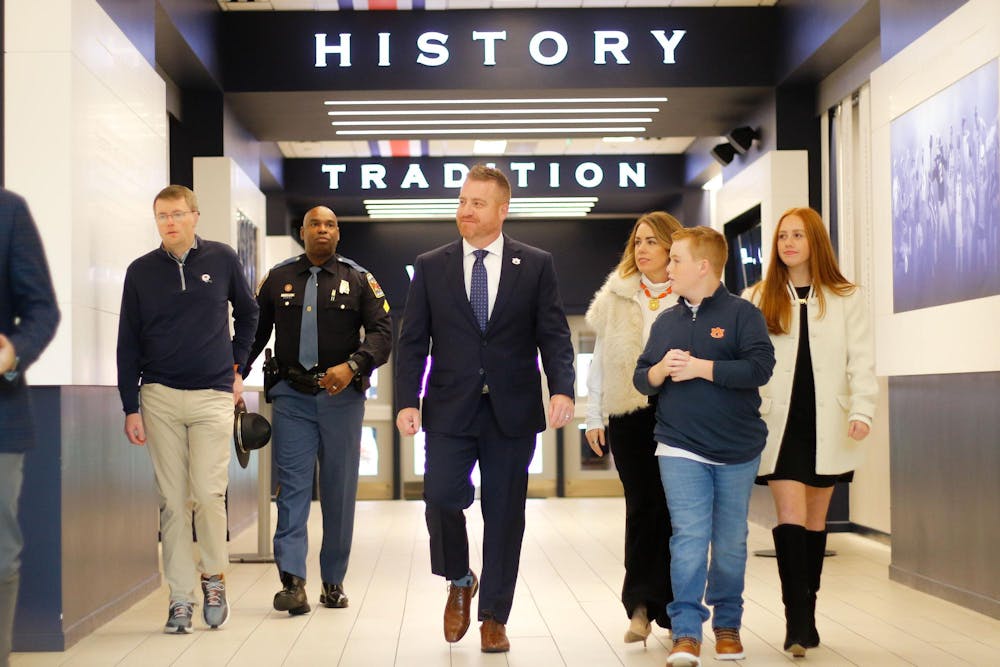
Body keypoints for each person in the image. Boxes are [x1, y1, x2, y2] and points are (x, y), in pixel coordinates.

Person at [395, 164, 575, 654]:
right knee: (440, 499)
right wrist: (407, 401)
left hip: (512, 413)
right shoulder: (432, 264)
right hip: (450, 410)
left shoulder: (535, 264)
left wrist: (562, 387)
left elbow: (554, 333)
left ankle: (494, 616)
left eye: (477, 203)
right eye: (461, 201)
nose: (465, 211)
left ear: (502, 209)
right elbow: (412, 342)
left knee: (504, 515)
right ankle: (459, 577)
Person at [116, 185, 259, 634]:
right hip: (158, 396)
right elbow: (128, 342)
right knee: (173, 503)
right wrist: (129, 405)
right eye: (162, 216)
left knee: (208, 494)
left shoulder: (220, 259)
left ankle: (213, 579)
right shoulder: (140, 272)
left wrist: (239, 367)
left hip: (213, 393)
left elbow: (250, 312)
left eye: (178, 214)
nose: (170, 222)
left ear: (195, 216)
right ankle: (180, 598)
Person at [633, 226, 774, 667]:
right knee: (689, 539)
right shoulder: (666, 320)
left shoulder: (742, 315)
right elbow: (641, 377)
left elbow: (759, 368)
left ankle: (728, 623)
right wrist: (658, 371)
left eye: (675, 259)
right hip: (678, 446)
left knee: (730, 542)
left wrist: (702, 368)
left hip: (738, 449)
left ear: (704, 267)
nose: (667, 266)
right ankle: (687, 632)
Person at [246, 205, 391, 615]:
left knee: (339, 491)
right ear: (303, 231)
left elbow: (383, 333)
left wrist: (354, 365)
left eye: (329, 225)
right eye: (315, 224)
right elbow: (255, 335)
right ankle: (293, 582)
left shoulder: (360, 279)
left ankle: (333, 581)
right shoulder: (278, 278)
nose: (322, 230)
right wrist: (233, 373)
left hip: (341, 399)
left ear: (338, 233)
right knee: (291, 488)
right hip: (292, 396)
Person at [745, 207, 877, 658]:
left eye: (798, 235)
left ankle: (809, 611)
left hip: (827, 424)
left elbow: (861, 360)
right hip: (778, 424)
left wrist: (864, 410)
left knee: (816, 524)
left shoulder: (846, 296)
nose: (788, 243)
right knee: (790, 518)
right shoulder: (758, 296)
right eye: (783, 236)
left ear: (815, 241)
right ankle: (795, 622)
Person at [584, 211, 680, 645]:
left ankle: (677, 607)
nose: (641, 250)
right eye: (637, 242)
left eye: (651, 242)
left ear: (671, 247)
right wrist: (593, 415)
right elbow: (601, 361)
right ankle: (640, 606)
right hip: (629, 415)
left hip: (682, 415)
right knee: (642, 507)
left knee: (680, 513)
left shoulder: (692, 294)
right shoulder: (616, 296)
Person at [0, 190, 60, 666]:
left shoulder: (9, 210)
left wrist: (12, 352)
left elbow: (42, 310)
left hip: (1, 420)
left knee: (0, 552)